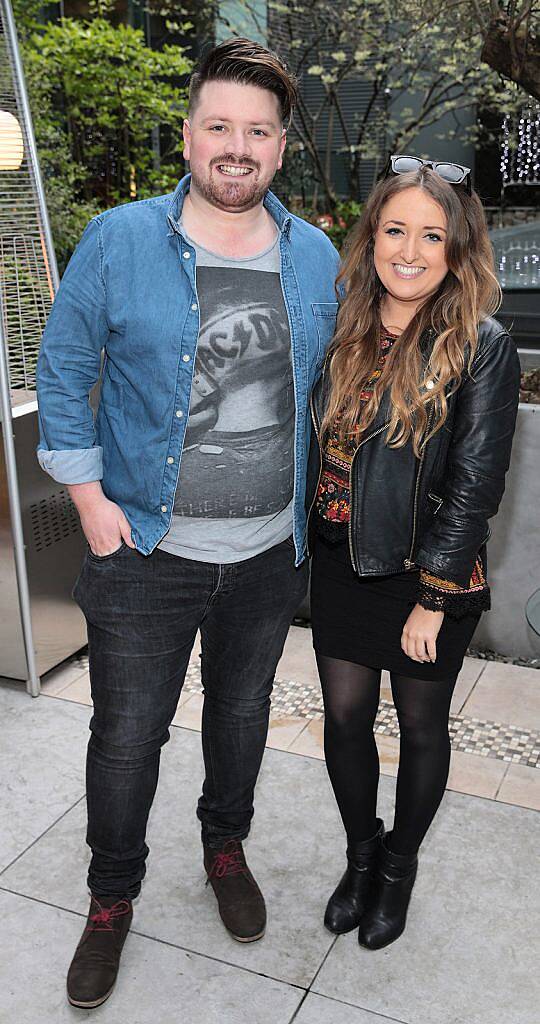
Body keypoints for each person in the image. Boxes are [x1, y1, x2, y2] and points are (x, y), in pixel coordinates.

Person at [36, 38, 340, 1008]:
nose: (236, 147)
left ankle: (223, 847)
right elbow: (63, 373)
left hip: (265, 556)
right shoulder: (119, 240)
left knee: (242, 715)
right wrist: (88, 506)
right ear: (187, 136)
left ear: (282, 148)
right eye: (219, 127)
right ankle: (109, 898)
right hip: (142, 554)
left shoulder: (317, 255)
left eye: (257, 131)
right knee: (128, 736)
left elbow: (336, 387)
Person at [307, 156, 520, 950]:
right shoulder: (348, 325)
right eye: (394, 229)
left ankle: (399, 867)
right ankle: (361, 857)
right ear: (372, 239)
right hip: (342, 561)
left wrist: (434, 595)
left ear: (457, 251)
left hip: (427, 570)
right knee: (344, 715)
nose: (409, 249)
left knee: (422, 725)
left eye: (431, 236)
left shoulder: (483, 345)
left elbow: (475, 483)